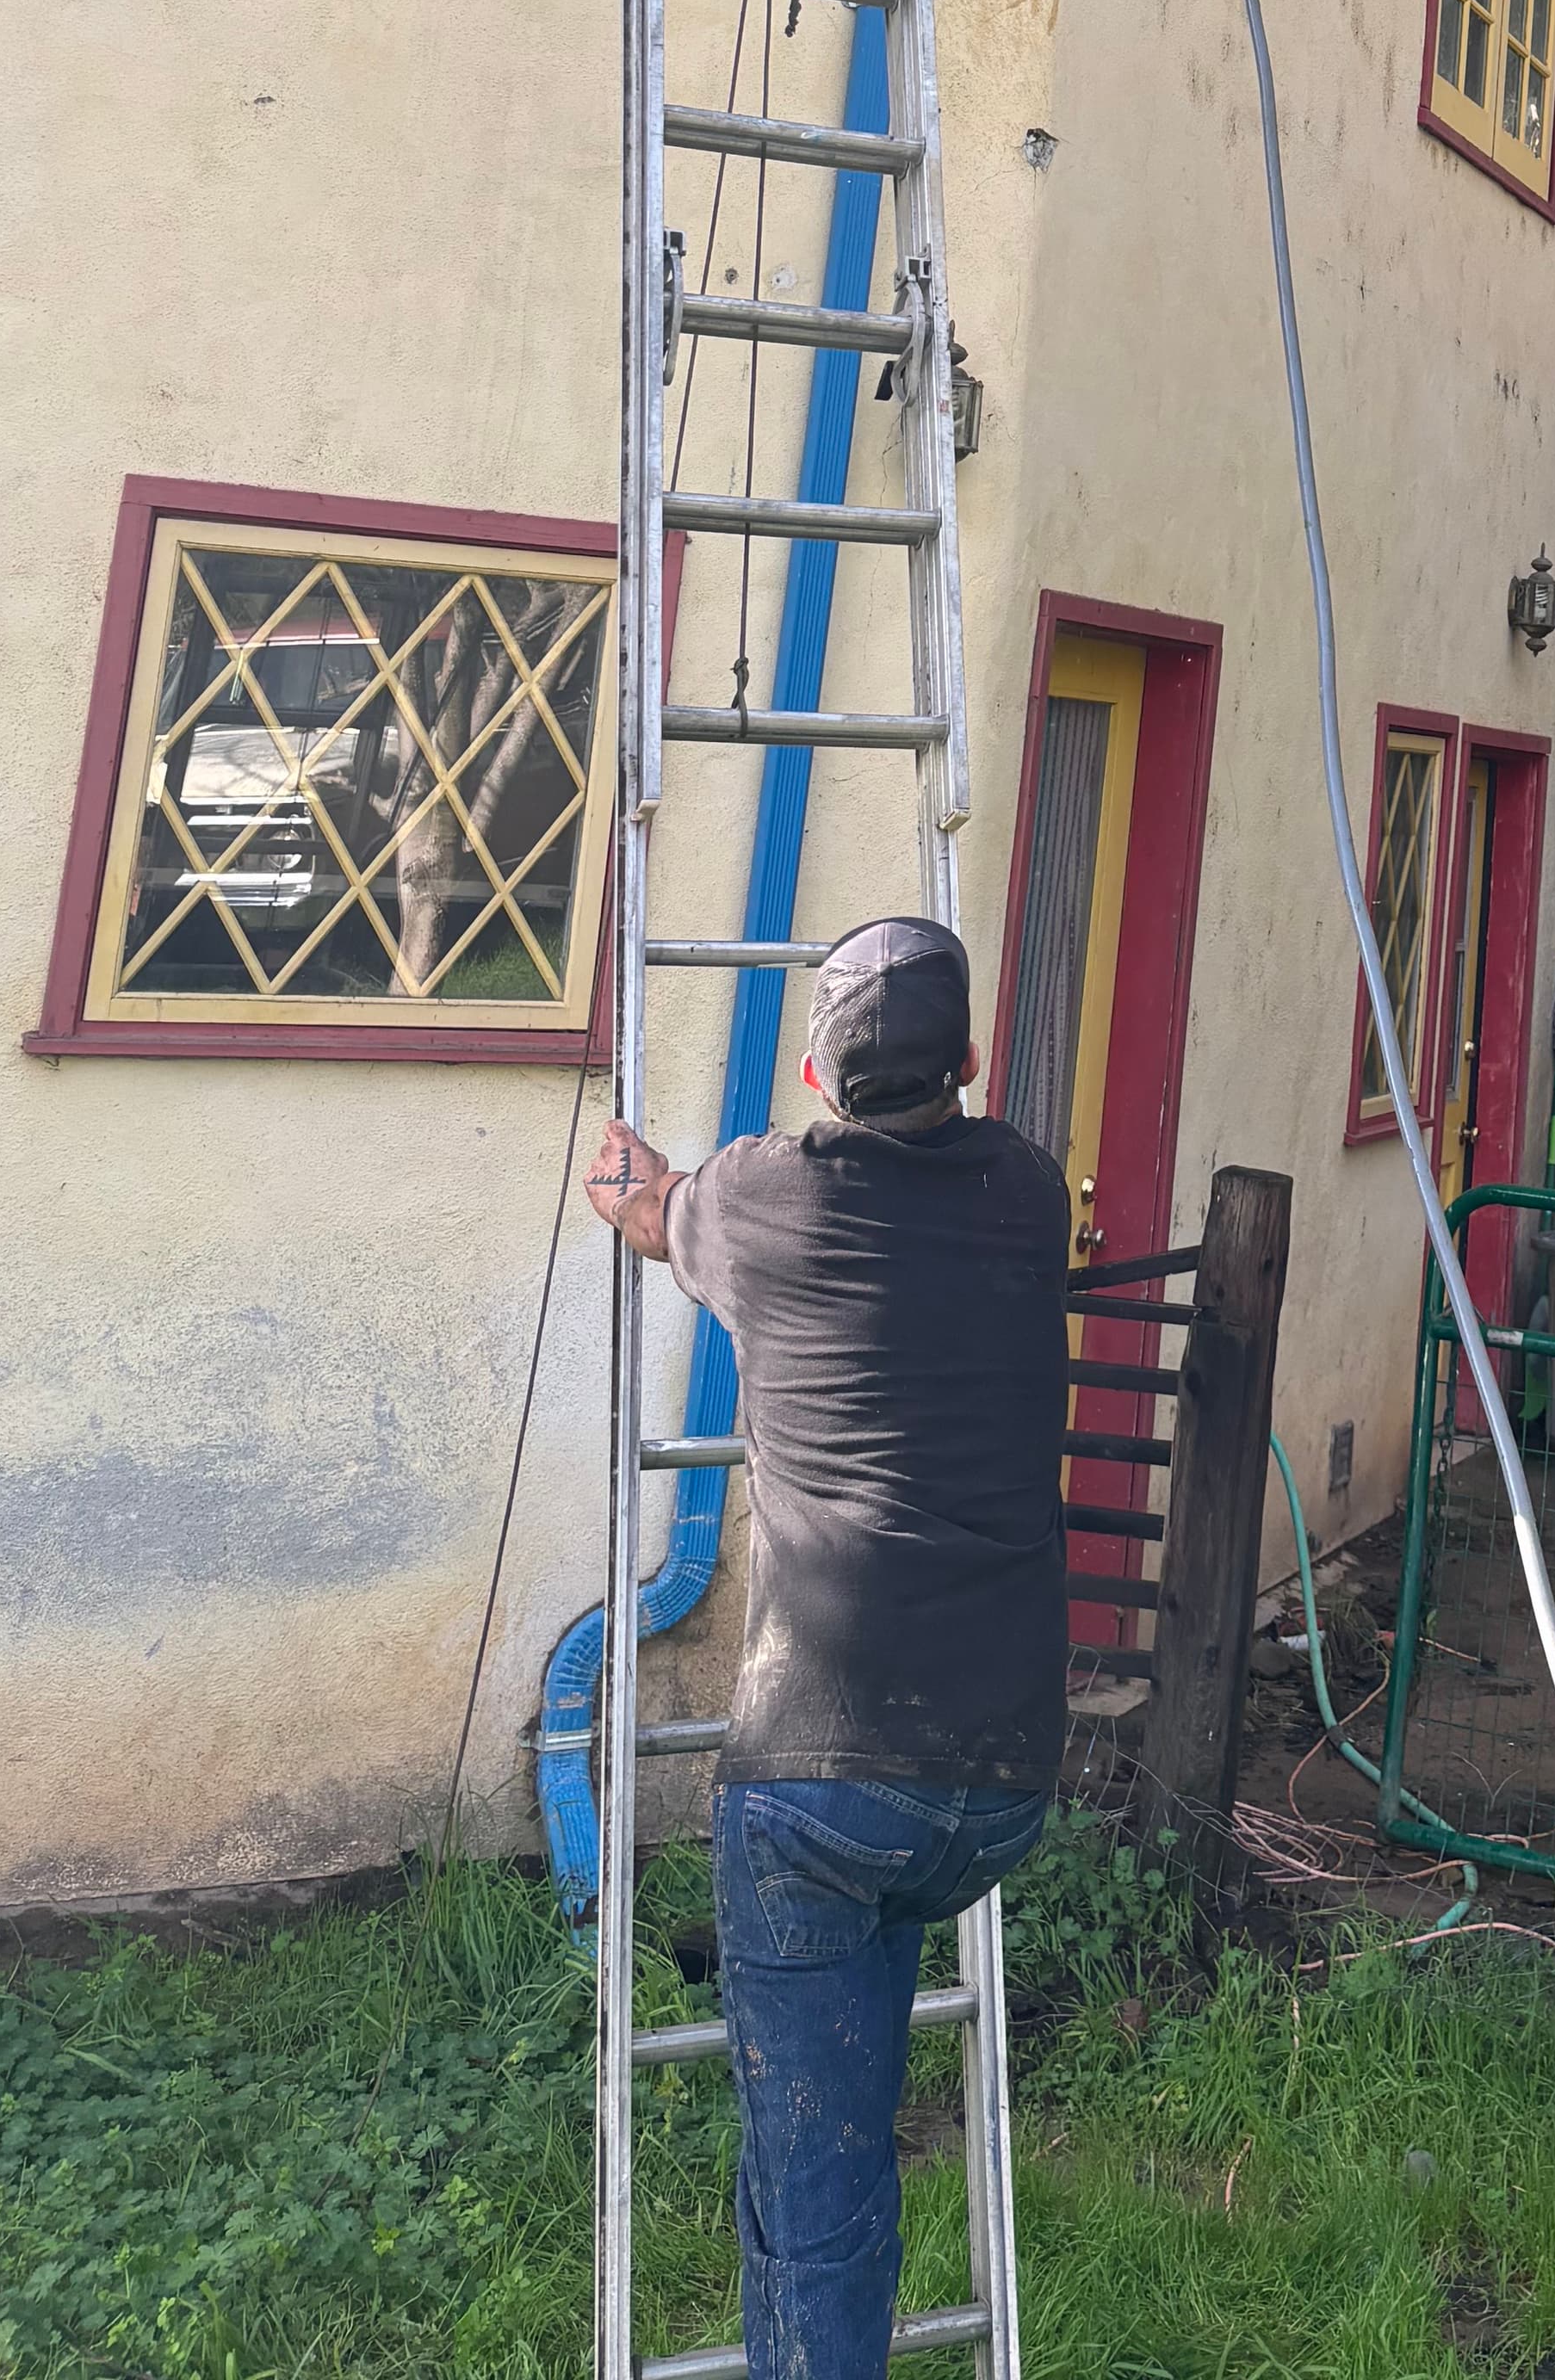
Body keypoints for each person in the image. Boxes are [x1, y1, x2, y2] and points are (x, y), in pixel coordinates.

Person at [584, 915, 1069, 2380]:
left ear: (811, 1068)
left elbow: (648, 1202)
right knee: (874, 1954)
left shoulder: (756, 1203)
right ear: (972, 1063)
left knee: (813, 2193)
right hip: (997, 1784)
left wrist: (605, 1157)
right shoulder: (1032, 1196)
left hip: (816, 1784)